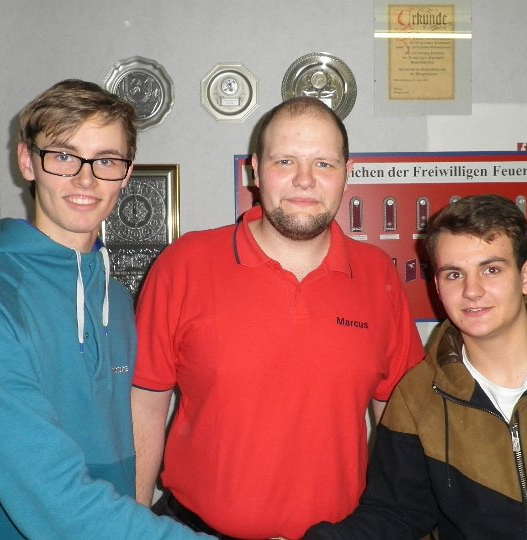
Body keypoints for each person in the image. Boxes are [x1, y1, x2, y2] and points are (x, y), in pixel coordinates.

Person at [131, 96, 425, 539]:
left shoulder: (377, 276)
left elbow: (400, 420)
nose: (304, 179)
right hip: (195, 532)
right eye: (285, 161)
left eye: (323, 163)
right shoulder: (184, 264)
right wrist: (132, 528)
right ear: (255, 170)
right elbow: (144, 408)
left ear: (347, 172)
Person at [306, 194, 527, 539]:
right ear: (437, 286)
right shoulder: (417, 399)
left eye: (491, 269)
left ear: (526, 277)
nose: (472, 291)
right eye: (453, 274)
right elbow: (394, 515)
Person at [0, 79, 210, 539]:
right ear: (28, 161)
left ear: (126, 174)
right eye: (64, 156)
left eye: (106, 160)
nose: (85, 179)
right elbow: (53, 500)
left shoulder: (117, 300)